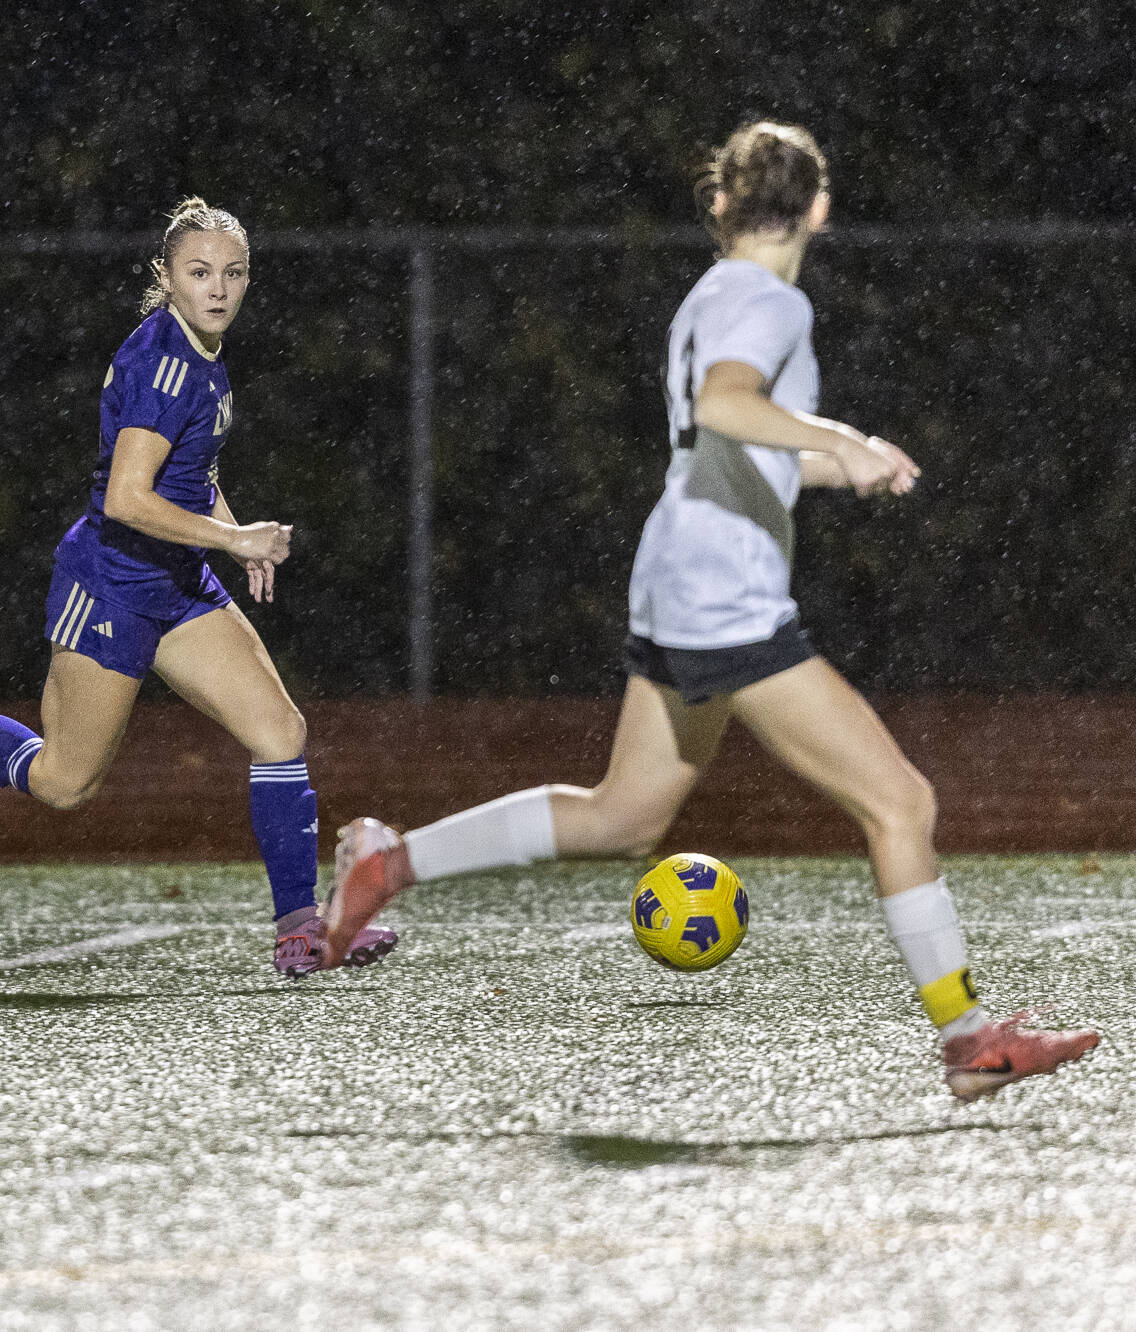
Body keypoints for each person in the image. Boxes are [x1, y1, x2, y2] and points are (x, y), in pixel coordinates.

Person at [320, 122, 1098, 1101]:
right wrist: (841, 434)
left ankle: (390, 862)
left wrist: (831, 467)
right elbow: (725, 405)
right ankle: (968, 1040)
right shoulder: (767, 303)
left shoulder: (711, 293)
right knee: (898, 802)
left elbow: (723, 441)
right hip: (721, 595)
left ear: (720, 206)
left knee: (623, 815)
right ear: (816, 209)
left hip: (677, 571)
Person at [0, 197, 396, 978]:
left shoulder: (200, 352)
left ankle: (302, 928)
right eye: (200, 272)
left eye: (233, 273)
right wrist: (234, 539)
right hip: (113, 587)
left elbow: (191, 476)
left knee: (280, 734)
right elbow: (129, 499)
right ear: (165, 277)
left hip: (177, 580)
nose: (218, 286)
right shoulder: (168, 363)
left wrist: (230, 540)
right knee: (65, 783)